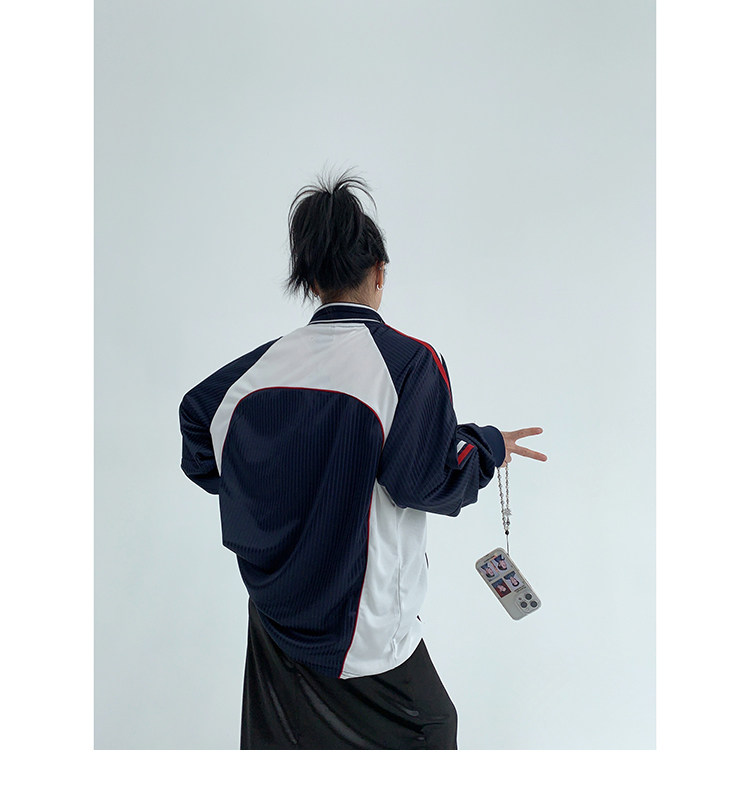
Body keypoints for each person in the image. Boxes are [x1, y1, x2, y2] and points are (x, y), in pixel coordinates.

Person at [178, 168, 547, 749]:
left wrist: (274, 484)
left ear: (311, 282)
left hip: (275, 613)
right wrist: (488, 447)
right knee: (432, 730)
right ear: (379, 272)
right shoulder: (408, 364)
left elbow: (199, 428)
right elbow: (427, 479)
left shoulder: (256, 371)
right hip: (362, 632)